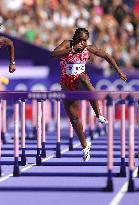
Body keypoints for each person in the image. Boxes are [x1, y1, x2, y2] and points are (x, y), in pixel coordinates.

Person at [50, 27, 127, 161]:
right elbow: (53, 54)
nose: (82, 43)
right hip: (66, 84)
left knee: (83, 78)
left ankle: (98, 114)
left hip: (79, 80)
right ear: (75, 38)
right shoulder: (68, 44)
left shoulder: (88, 48)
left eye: (85, 40)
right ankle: (85, 146)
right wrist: (71, 50)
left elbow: (107, 56)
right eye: (80, 40)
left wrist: (118, 71)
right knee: (74, 118)